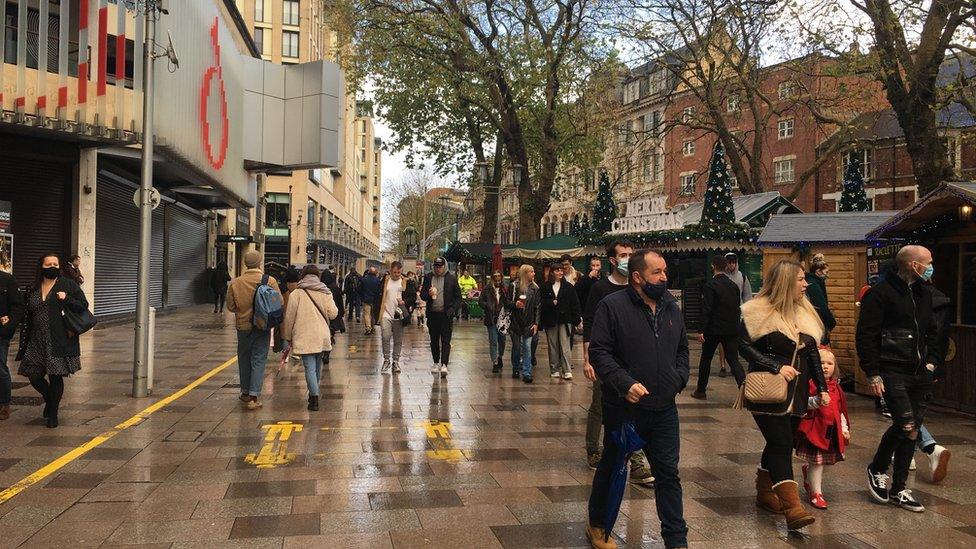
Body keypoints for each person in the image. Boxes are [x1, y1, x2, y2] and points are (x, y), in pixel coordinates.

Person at [587, 249, 689, 549]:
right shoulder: (612, 306)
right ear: (637, 277)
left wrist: (679, 378)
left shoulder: (671, 306)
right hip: (624, 408)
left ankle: (676, 540)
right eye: (657, 272)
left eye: (665, 271)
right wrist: (624, 383)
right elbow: (600, 353)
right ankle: (598, 523)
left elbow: (682, 349)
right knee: (612, 464)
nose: (664, 277)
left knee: (668, 473)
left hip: (664, 408)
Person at [739, 259, 827, 531]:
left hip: (797, 393)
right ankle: (793, 508)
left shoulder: (807, 312)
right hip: (767, 389)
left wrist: (823, 387)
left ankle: (766, 493)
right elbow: (741, 346)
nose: (805, 284)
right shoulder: (756, 311)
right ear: (786, 282)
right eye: (800, 279)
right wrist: (775, 365)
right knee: (780, 443)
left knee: (783, 442)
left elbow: (812, 353)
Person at [857, 245, 940, 513]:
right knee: (904, 425)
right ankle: (878, 468)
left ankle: (900, 488)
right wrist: (872, 371)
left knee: (913, 429)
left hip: (919, 372)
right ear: (913, 265)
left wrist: (932, 363)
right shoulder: (880, 294)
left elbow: (933, 331)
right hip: (891, 369)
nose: (930, 266)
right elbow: (866, 334)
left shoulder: (924, 293)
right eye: (927, 262)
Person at [581, 240, 654, 486]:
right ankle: (593, 448)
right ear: (612, 260)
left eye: (631, 254)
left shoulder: (638, 287)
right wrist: (587, 359)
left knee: (633, 407)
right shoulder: (600, 289)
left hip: (633, 362)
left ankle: (636, 461)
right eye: (623, 254)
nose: (628, 258)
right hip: (606, 361)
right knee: (600, 405)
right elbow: (590, 324)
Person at [16, 254, 87, 429]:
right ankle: (49, 400)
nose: (53, 266)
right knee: (33, 375)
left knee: (55, 376)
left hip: (58, 338)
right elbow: (27, 314)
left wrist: (67, 299)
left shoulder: (68, 284)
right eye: (49, 264)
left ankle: (53, 414)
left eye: (55, 263)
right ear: (41, 267)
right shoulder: (32, 288)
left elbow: (83, 305)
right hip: (36, 339)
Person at [796, 347, 850, 509]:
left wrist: (844, 427)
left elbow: (840, 411)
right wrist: (816, 401)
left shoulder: (836, 388)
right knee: (818, 463)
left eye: (830, 363)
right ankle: (816, 493)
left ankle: (809, 475)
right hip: (816, 432)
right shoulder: (811, 384)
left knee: (825, 462)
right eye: (821, 363)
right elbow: (803, 402)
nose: (826, 366)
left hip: (831, 433)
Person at [227, 250, 282, 410]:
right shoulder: (269, 281)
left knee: (244, 358)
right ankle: (253, 397)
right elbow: (279, 304)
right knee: (258, 359)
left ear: (245, 263)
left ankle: (244, 392)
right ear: (259, 262)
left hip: (243, 327)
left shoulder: (236, 282)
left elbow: (230, 307)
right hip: (262, 326)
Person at [282, 265, 337, 411]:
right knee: (317, 366)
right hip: (321, 335)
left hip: (304, 335)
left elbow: (289, 318)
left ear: (303, 276)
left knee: (309, 368)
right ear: (317, 276)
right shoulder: (325, 292)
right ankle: (314, 393)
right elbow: (334, 313)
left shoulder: (296, 293)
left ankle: (314, 398)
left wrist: (288, 336)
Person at [691, 256, 745, 399]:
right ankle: (745, 388)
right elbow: (736, 308)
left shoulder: (710, 285)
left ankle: (701, 391)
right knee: (733, 359)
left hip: (713, 330)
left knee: (706, 359)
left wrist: (701, 329)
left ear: (713, 266)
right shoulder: (733, 286)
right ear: (726, 266)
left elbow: (706, 309)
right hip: (731, 329)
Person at [915, 281, 951, 483]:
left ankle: (931, 448)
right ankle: (907, 454)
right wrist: (935, 365)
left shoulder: (907, 295)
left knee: (901, 409)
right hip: (929, 363)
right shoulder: (940, 297)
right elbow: (942, 336)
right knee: (908, 409)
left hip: (907, 363)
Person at [420, 257, 462, 378]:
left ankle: (444, 363)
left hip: (446, 315)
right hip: (433, 314)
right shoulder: (428, 277)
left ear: (445, 266)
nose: (438, 269)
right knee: (434, 340)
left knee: (445, 340)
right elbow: (422, 295)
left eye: (440, 266)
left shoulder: (451, 279)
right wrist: (428, 294)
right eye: (436, 266)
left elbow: (458, 297)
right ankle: (435, 362)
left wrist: (453, 309)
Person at [541, 263, 581, 380]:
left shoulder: (568, 287)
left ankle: (567, 369)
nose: (560, 273)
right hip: (551, 320)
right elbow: (541, 303)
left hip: (565, 319)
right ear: (552, 272)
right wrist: (550, 302)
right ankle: (554, 369)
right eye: (557, 271)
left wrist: (576, 319)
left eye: (561, 270)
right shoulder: (545, 286)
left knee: (565, 345)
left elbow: (575, 303)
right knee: (552, 345)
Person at [376, 261, 417, 374]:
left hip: (399, 314)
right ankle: (386, 359)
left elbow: (412, 297)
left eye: (399, 272)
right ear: (390, 270)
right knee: (385, 335)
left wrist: (405, 302)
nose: (397, 274)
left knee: (398, 339)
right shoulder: (385, 281)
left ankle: (395, 362)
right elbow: (378, 294)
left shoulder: (405, 282)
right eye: (395, 272)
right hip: (386, 313)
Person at [507, 264, 541, 383]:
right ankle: (516, 367)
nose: (533, 274)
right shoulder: (514, 286)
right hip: (515, 322)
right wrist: (514, 304)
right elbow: (506, 302)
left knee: (527, 347)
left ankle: (527, 372)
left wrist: (536, 323)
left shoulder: (535, 288)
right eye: (531, 272)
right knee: (516, 347)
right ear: (525, 273)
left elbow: (537, 306)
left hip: (529, 322)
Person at [0, 265, 24, 421]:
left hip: (0, 333)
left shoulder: (7, 280)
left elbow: (18, 306)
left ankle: (4, 404)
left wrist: (8, 326)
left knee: (0, 367)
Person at [479, 271, 509, 373]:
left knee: (502, 340)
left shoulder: (505, 290)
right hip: (491, 318)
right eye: (495, 279)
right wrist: (487, 305)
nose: (497, 281)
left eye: (499, 279)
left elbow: (508, 301)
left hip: (502, 318)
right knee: (493, 341)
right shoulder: (487, 289)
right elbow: (480, 301)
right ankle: (495, 362)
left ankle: (500, 356)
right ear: (492, 279)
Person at [805, 254, 836, 344]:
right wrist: (831, 322)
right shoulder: (813, 286)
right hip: (817, 325)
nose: (828, 275)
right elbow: (821, 307)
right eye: (826, 272)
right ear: (818, 271)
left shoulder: (814, 282)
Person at [320, 270, 345, 350]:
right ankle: (331, 338)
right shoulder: (335, 287)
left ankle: (325, 342)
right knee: (332, 327)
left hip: (322, 311)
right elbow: (340, 300)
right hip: (334, 310)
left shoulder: (320, 287)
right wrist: (341, 312)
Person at [359, 266, 381, 335]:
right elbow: (379, 291)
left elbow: (359, 289)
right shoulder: (377, 280)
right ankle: (373, 328)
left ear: (369, 272)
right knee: (373, 314)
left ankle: (368, 328)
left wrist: (362, 296)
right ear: (375, 273)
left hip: (366, 299)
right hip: (374, 300)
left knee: (367, 314)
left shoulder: (364, 279)